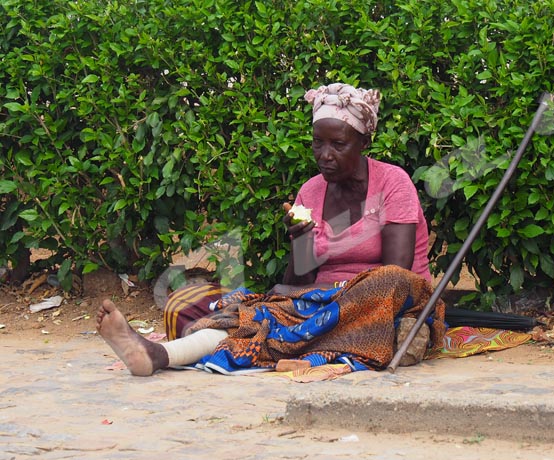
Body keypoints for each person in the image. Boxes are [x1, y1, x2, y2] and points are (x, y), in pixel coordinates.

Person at [96, 83, 445, 376]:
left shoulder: (392, 183)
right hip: (320, 304)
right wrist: (301, 241)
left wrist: (313, 296)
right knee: (246, 311)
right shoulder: (311, 192)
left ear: (363, 143)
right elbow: (298, 282)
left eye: (338, 145)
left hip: (390, 301)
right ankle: (158, 356)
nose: (325, 155)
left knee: (385, 283)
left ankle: (303, 340)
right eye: (317, 143)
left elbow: (398, 271)